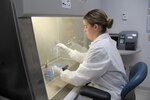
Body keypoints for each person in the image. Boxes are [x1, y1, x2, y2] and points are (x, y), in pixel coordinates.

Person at [54, 9, 128, 100]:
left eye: (85, 26)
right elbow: (88, 58)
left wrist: (61, 73)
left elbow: (78, 79)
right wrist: (68, 50)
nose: (84, 30)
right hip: (113, 86)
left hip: (110, 92)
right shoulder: (106, 42)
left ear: (95, 27)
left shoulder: (101, 48)